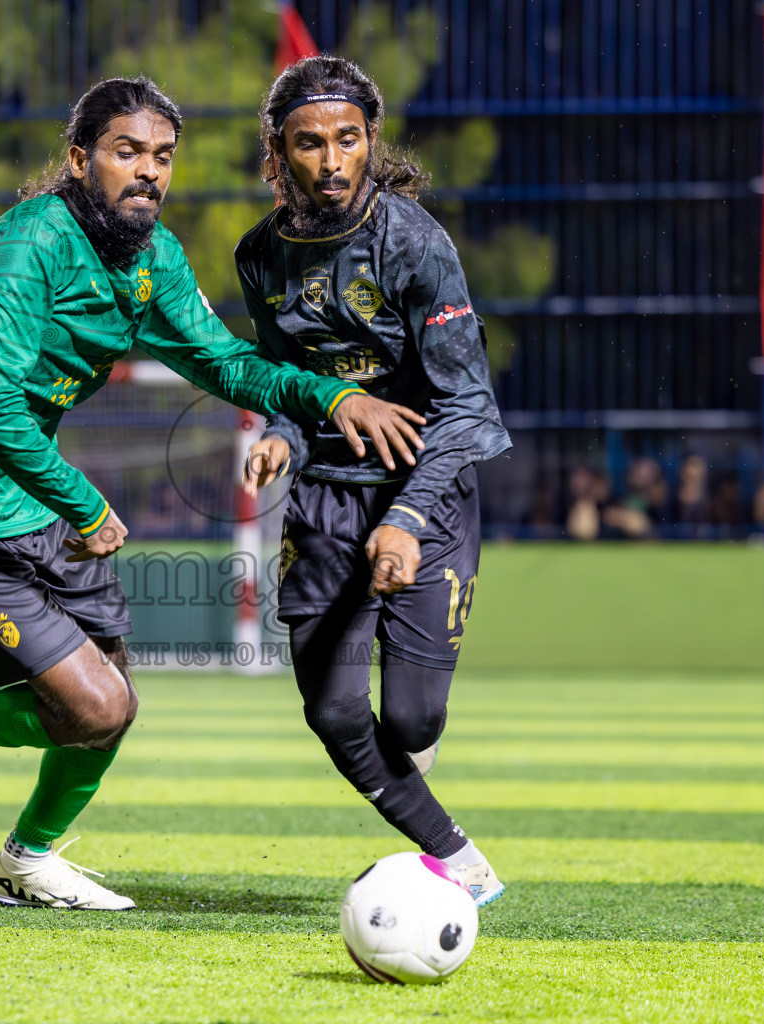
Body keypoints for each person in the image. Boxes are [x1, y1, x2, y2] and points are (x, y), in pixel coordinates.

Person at [0, 76, 425, 912]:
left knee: (107, 706)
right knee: (94, 709)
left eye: (162, 157)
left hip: (28, 497)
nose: (149, 173)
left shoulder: (152, 258)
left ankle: (26, 859)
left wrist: (327, 397)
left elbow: (225, 361)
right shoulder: (30, 243)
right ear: (80, 159)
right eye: (128, 153)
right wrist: (85, 504)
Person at [236, 57, 511, 906]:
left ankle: (420, 789)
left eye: (347, 139)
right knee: (332, 711)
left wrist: (410, 518)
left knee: (413, 722)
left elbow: (468, 406)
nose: (330, 160)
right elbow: (287, 376)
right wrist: (280, 432)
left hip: (425, 491)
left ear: (370, 142)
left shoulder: (415, 243)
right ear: (277, 155)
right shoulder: (259, 256)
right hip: (322, 499)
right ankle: (460, 862)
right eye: (308, 143)